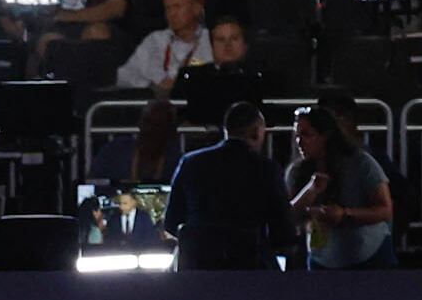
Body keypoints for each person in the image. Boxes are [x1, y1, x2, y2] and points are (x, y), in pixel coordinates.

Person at [167, 100, 300, 269]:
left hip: (198, 265)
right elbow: (282, 230)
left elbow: (172, 222)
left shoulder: (191, 162)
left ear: (226, 130)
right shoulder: (266, 169)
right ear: (257, 132)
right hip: (249, 266)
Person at [290, 96, 393, 269]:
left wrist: (345, 214)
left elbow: (385, 209)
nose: (299, 142)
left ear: (325, 136)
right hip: (322, 257)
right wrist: (310, 191)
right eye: (297, 135)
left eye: (307, 135)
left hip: (367, 254)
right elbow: (290, 214)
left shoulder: (360, 163)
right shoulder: (297, 171)